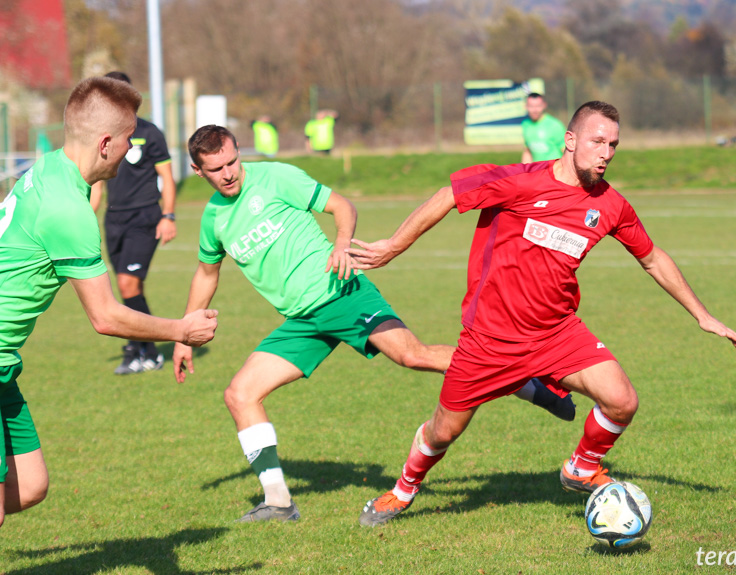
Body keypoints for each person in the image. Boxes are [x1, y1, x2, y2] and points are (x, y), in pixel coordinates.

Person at [347, 101, 736, 527]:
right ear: (570, 141)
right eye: (597, 141)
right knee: (442, 432)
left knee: (622, 401)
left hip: (557, 334)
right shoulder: (517, 181)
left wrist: (701, 315)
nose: (606, 152)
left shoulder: (611, 205)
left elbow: (652, 259)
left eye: (613, 144)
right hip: (490, 339)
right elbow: (450, 195)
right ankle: (404, 489)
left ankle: (580, 467)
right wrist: (393, 246)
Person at [172, 125, 573, 524]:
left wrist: (342, 242)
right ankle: (277, 502)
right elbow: (207, 274)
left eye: (232, 161)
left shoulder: (276, 177)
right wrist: (183, 336)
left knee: (412, 355)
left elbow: (343, 206)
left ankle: (526, 379)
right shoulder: (214, 219)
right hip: (302, 319)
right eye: (216, 169)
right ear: (196, 169)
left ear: (238, 151)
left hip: (342, 294)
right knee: (240, 394)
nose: (228, 173)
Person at [0, 76, 219, 529]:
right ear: (105, 143)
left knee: (30, 484)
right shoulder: (68, 209)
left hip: (5, 363)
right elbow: (104, 316)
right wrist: (181, 330)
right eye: (126, 140)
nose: (130, 149)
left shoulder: (49, 170)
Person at [89, 71, 178, 375]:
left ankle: (146, 351)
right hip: (114, 219)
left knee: (128, 284)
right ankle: (139, 349)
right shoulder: (103, 137)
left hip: (145, 217)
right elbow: (98, 185)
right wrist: (86, 218)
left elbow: (166, 177)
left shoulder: (150, 132)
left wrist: (168, 216)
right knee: (127, 288)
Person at [521, 93, 566, 163]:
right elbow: (527, 151)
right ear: (526, 106)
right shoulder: (525, 124)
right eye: (531, 106)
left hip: (554, 171)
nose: (535, 110)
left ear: (544, 105)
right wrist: (524, 171)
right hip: (537, 171)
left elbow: (567, 152)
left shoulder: (555, 125)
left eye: (538, 106)